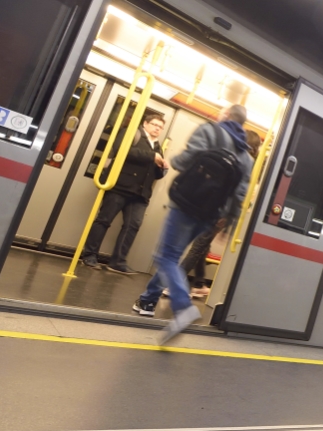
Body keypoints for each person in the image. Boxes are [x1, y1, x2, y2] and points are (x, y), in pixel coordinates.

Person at [132, 105, 254, 343]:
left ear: (227, 116)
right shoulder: (246, 157)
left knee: (165, 256)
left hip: (186, 204)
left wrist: (172, 160)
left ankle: (183, 306)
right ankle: (148, 299)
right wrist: (228, 222)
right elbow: (240, 194)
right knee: (172, 257)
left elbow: (185, 161)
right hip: (210, 214)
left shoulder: (210, 131)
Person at [178, 130, 263, 300]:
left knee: (199, 244)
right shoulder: (247, 162)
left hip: (221, 209)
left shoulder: (243, 162)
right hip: (220, 208)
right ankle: (200, 284)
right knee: (203, 245)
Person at [81, 114, 168, 274]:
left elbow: (154, 174)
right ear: (145, 123)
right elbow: (122, 151)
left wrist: (162, 168)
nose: (157, 128)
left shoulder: (157, 146)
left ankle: (117, 261)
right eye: (154, 124)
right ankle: (89, 255)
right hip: (119, 186)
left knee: (133, 225)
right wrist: (151, 156)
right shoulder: (131, 134)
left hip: (141, 193)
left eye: (160, 127)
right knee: (104, 220)